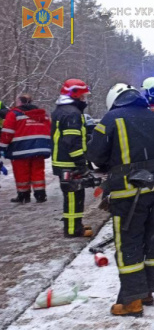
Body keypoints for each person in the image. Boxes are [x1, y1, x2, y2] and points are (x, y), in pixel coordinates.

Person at [87, 83, 154, 317]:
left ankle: (132, 301)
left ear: (115, 100)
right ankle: (146, 291)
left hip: (127, 193)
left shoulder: (110, 119)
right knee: (152, 239)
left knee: (128, 243)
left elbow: (95, 155)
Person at [51, 79, 93, 237]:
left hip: (63, 161)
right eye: (82, 96)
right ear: (75, 94)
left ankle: (76, 225)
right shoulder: (72, 113)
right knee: (73, 196)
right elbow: (72, 142)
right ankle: (72, 229)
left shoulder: (63, 110)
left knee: (75, 194)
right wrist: (82, 164)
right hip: (69, 162)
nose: (84, 99)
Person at [0, 94, 51, 203]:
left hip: (20, 149)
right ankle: (40, 194)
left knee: (21, 173)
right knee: (38, 172)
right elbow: (48, 130)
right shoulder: (42, 114)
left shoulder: (14, 114)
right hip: (39, 149)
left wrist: (2, 147)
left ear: (20, 102)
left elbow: (7, 133)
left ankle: (23, 196)